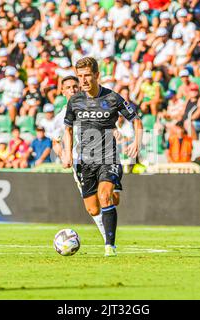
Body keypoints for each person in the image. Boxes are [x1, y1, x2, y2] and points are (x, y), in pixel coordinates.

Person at [62, 57, 143, 257]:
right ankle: (112, 197)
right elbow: (68, 129)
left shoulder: (113, 98)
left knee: (104, 196)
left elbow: (137, 121)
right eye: (80, 76)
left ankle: (110, 247)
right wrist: (67, 153)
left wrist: (136, 143)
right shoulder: (75, 101)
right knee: (92, 208)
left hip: (109, 157)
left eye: (87, 75)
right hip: (85, 162)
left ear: (97, 75)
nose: (84, 80)